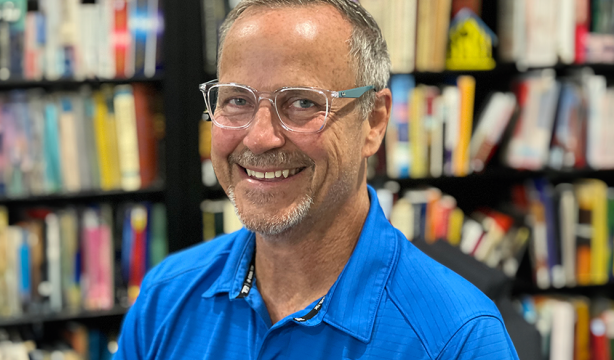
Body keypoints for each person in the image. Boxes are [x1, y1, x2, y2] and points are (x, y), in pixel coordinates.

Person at [115, 0, 519, 358]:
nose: (259, 137)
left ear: (374, 121)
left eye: (303, 103)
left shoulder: (458, 339)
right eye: (237, 99)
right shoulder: (166, 298)